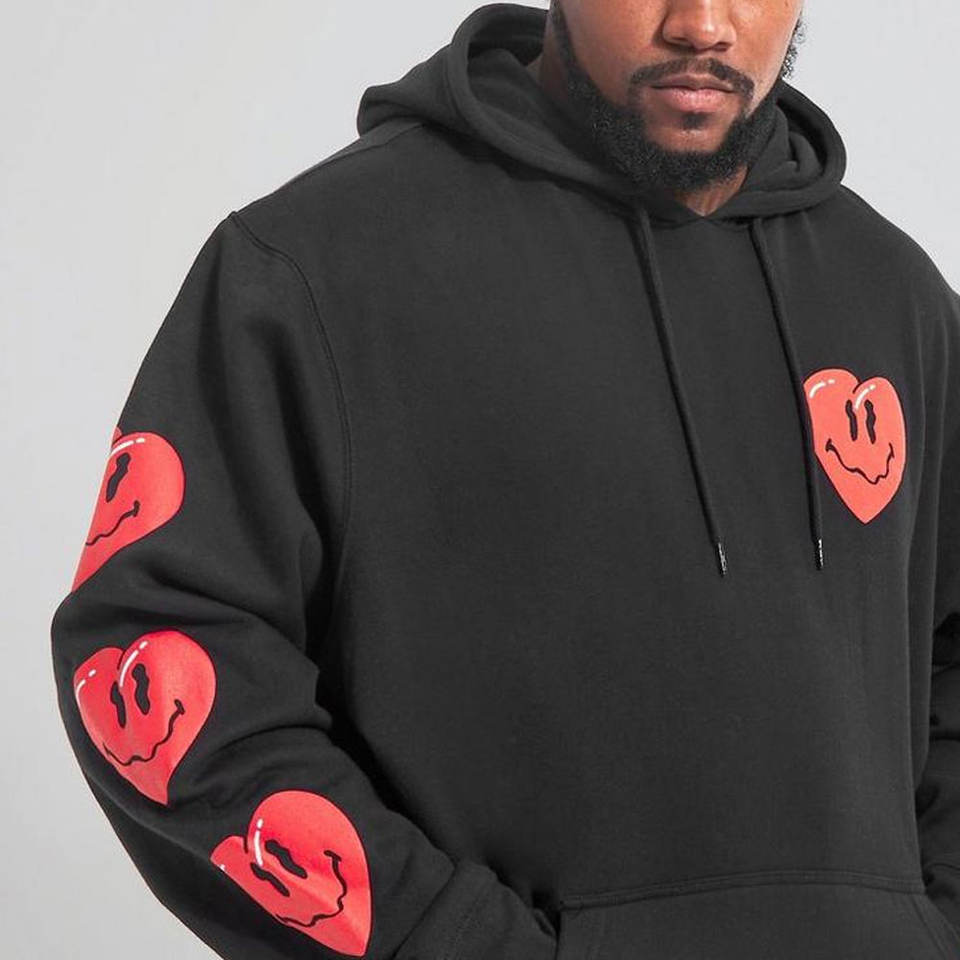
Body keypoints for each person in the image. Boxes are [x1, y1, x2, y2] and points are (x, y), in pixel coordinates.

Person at [49, 2, 960, 958]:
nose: (701, 25)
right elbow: (154, 648)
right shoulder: (322, 262)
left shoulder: (892, 296)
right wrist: (448, 940)